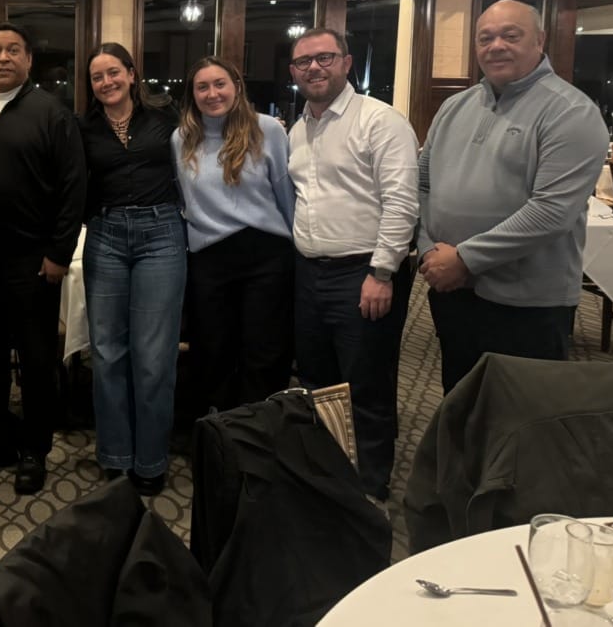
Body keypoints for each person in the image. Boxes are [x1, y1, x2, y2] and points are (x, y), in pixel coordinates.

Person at [418, 0, 608, 393]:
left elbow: (551, 212)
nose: (496, 46)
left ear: (539, 40)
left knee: (522, 418)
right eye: (485, 38)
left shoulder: (571, 112)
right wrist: (428, 252)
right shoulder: (454, 107)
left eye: (510, 35)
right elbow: (421, 186)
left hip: (528, 303)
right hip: (452, 290)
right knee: (461, 401)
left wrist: (465, 259)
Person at [286, 28, 419, 502]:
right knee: (317, 380)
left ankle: (370, 486)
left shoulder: (379, 121)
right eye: (304, 62)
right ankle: (331, 470)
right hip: (309, 273)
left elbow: (402, 202)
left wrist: (382, 272)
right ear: (293, 73)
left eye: (324, 58)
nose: (314, 68)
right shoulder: (297, 129)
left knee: (365, 381)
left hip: (364, 273)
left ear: (345, 62)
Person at [0, 22, 86, 495]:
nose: (3, 57)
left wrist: (58, 253)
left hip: (34, 261)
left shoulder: (53, 113)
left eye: (13, 50)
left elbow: (74, 189)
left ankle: (35, 448)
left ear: (29, 59)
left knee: (34, 360)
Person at [78, 43, 185, 496]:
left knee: (154, 357)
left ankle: (151, 459)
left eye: (113, 73)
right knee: (106, 352)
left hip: (161, 233)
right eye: (97, 77)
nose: (106, 82)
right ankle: (117, 457)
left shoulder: (166, 118)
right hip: (105, 235)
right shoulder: (83, 129)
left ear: (132, 74)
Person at [173, 55, 296, 415]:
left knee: (264, 353)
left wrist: (294, 249)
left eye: (220, 84)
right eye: (202, 87)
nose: (212, 93)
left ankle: (258, 441)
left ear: (237, 87)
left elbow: (284, 194)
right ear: (192, 95)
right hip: (209, 259)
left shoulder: (267, 130)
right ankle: (223, 439)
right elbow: (184, 198)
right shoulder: (180, 140)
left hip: (266, 256)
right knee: (213, 351)